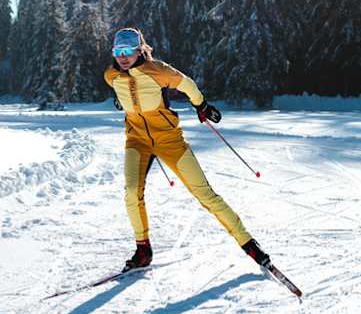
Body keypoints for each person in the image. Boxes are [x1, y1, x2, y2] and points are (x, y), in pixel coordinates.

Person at [104, 27, 273, 272]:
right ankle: (143, 250)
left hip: (169, 140)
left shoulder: (157, 70)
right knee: (131, 192)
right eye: (118, 51)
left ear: (139, 50)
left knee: (205, 194)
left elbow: (187, 83)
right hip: (137, 140)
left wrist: (201, 105)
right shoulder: (111, 75)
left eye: (128, 50)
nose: (123, 56)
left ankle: (249, 243)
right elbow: (124, 94)